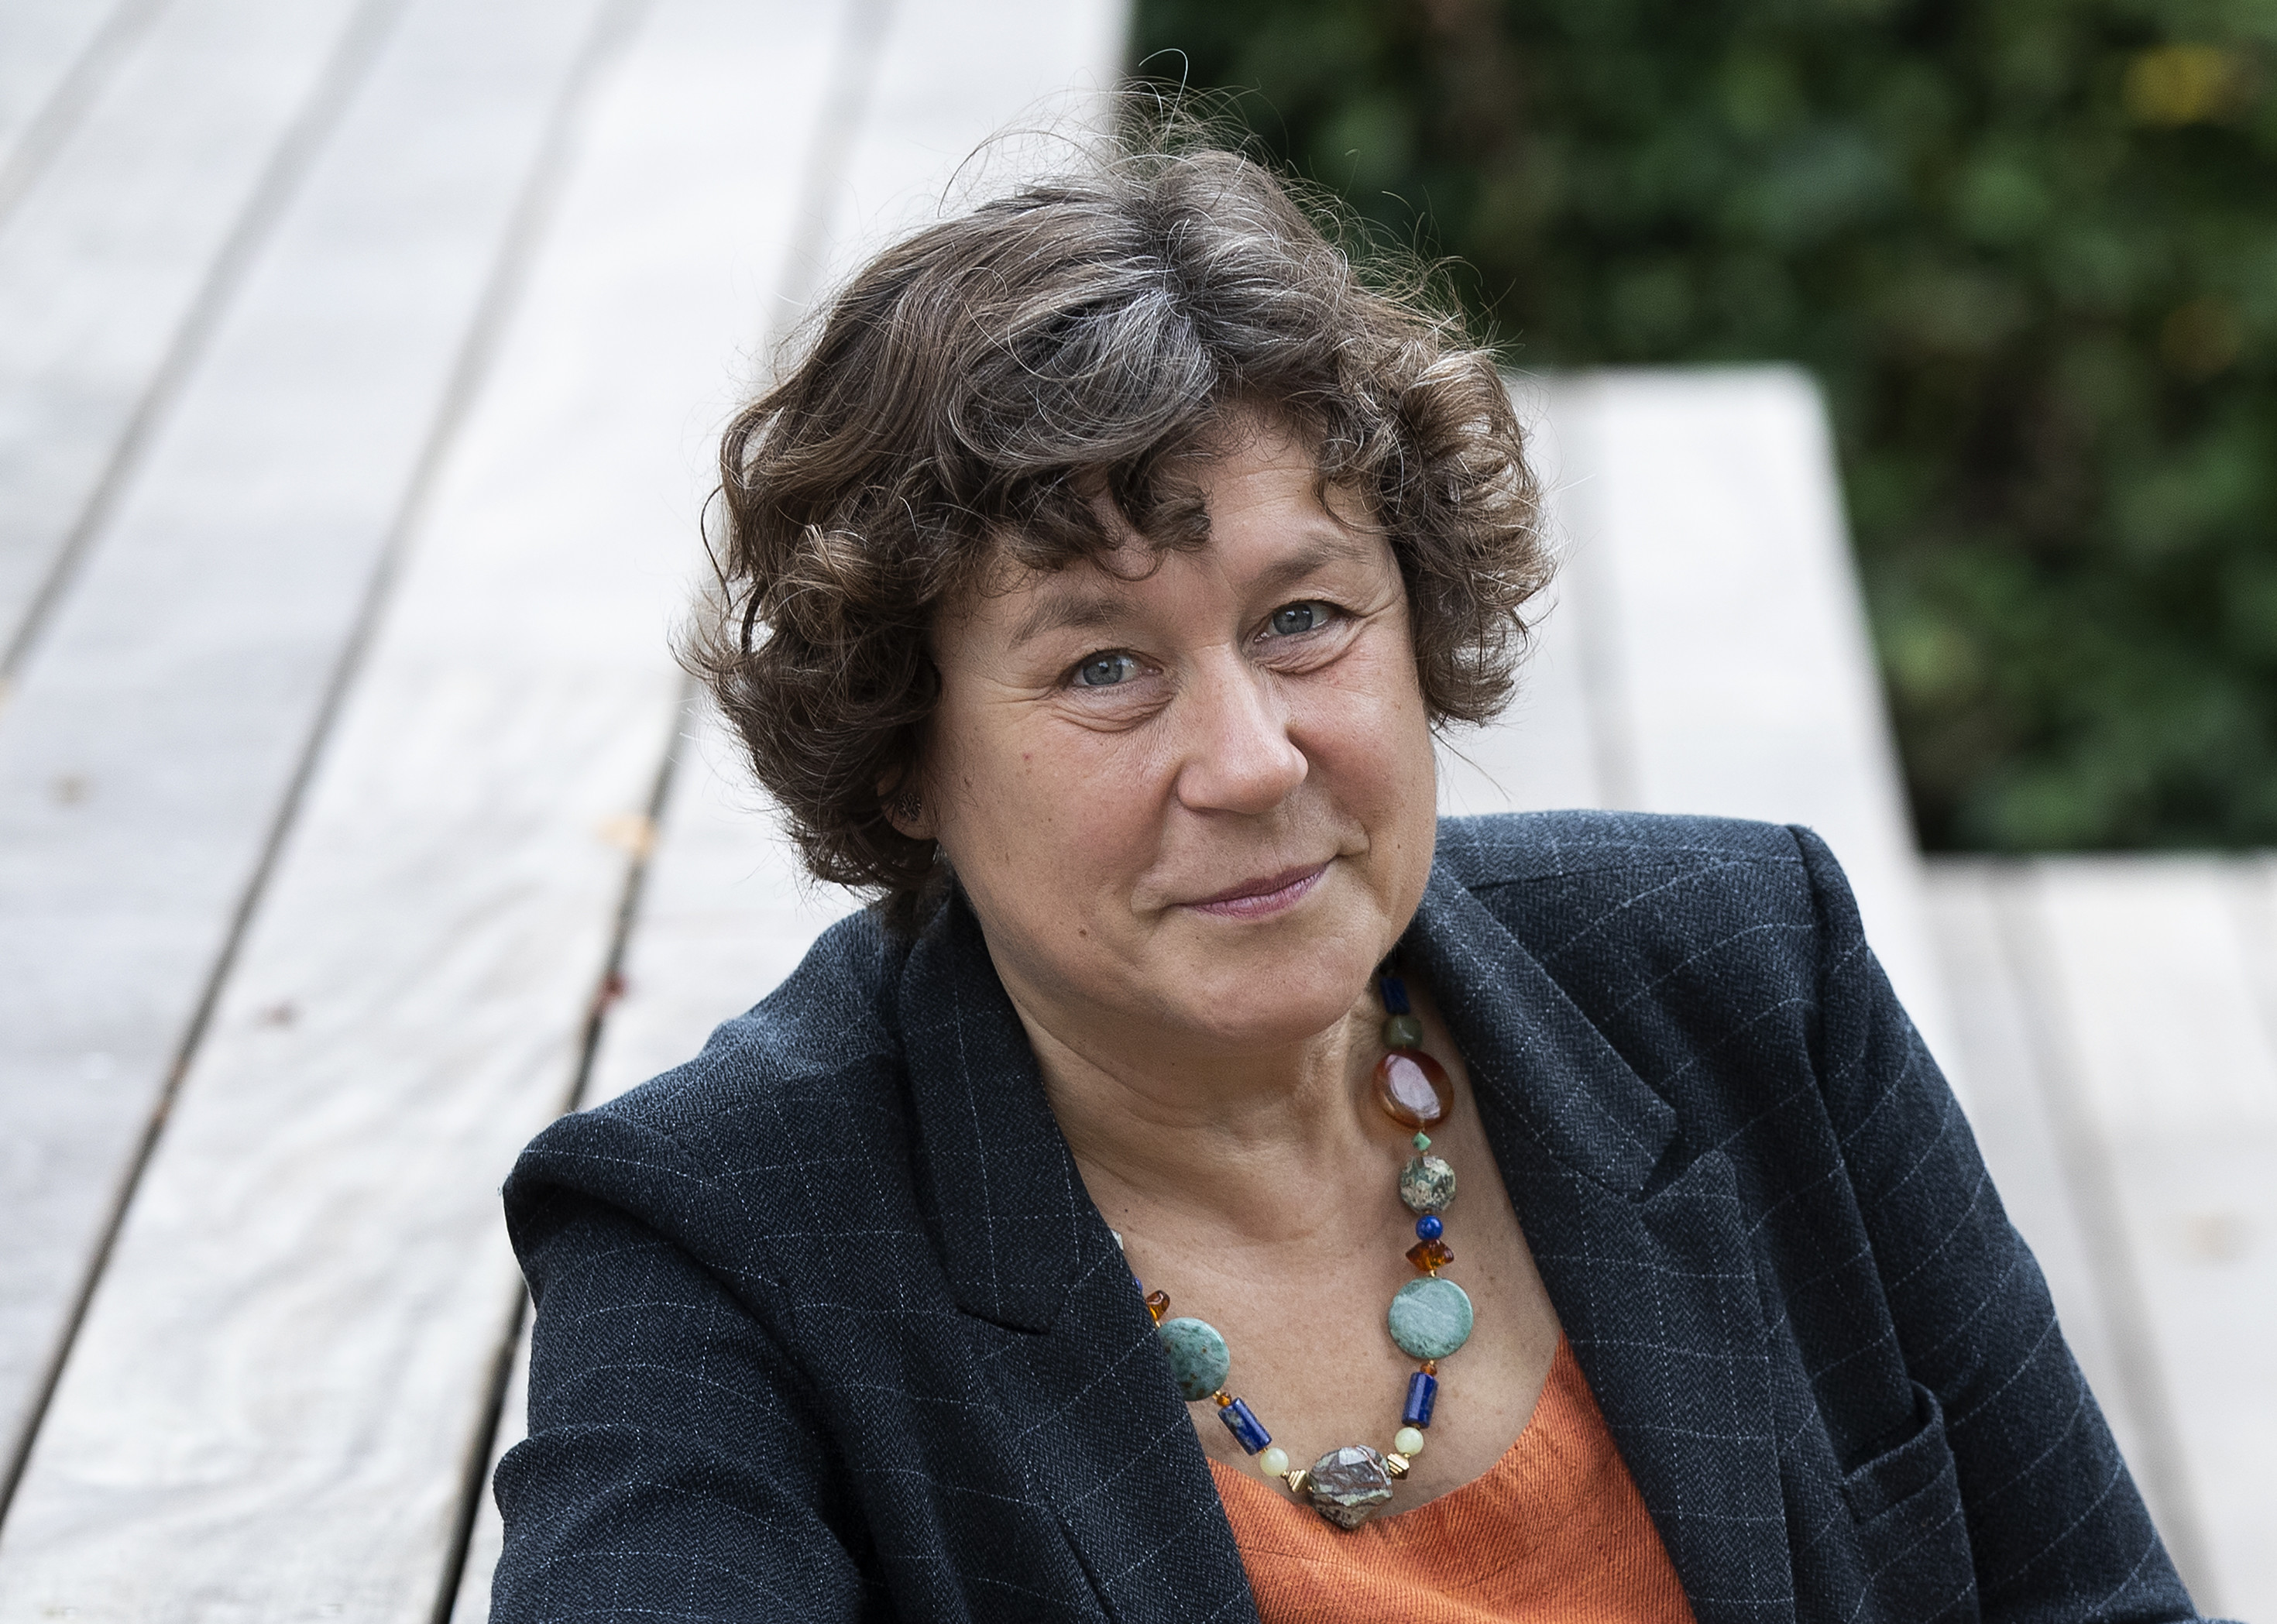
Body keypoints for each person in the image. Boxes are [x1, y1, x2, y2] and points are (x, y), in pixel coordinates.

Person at [489, 137, 2207, 1624]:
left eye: (1303, 618)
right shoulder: (723, 1236)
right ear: (904, 754)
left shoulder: (1747, 971)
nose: (1251, 761)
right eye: (1103, 666)